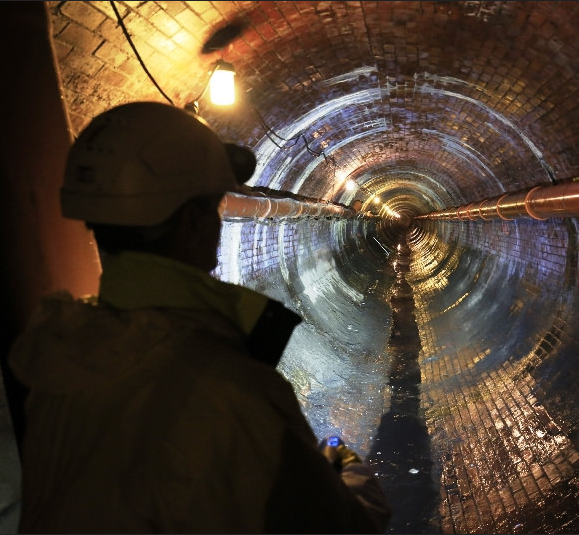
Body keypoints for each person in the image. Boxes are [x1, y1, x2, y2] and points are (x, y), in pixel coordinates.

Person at [7, 102, 391, 533]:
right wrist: (350, 473)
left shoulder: (55, 364)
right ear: (192, 222)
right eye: (215, 209)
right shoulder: (231, 390)